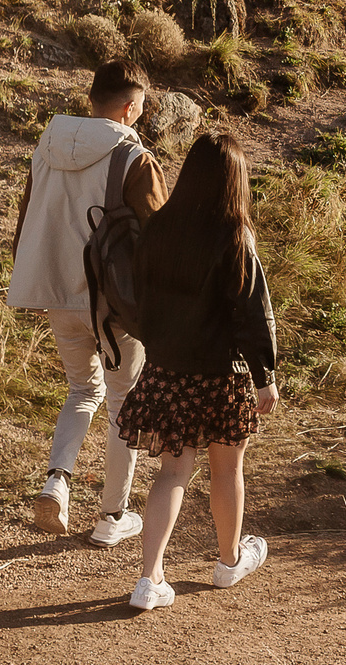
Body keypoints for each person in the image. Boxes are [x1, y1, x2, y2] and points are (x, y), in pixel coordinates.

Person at [117, 132, 282, 611]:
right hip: (223, 374)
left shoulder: (159, 227)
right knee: (227, 468)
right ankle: (229, 562)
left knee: (172, 472)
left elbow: (139, 301)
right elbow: (254, 313)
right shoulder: (234, 235)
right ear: (236, 181)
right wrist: (264, 377)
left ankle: (149, 580)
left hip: (168, 370)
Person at [9, 58, 165, 544]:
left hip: (59, 291)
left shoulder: (47, 146)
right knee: (124, 402)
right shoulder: (133, 158)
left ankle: (57, 483)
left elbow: (27, 214)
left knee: (82, 391)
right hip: (117, 302)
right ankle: (112, 519)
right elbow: (161, 236)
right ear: (130, 106)